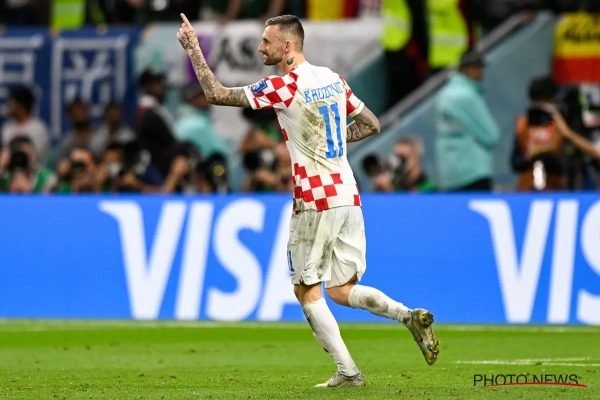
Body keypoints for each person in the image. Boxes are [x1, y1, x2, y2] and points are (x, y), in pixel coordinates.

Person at [177, 13, 440, 387]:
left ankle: (349, 373)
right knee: (341, 289)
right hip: (348, 193)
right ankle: (407, 315)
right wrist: (331, 140)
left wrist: (192, 48)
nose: (260, 48)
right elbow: (372, 124)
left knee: (306, 288)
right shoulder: (332, 78)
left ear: (287, 46)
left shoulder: (284, 86)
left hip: (314, 200)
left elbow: (215, 94)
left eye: (266, 41)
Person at [435, 50, 500, 191]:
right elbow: (492, 135)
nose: (481, 73)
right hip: (473, 172)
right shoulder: (468, 96)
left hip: (449, 172)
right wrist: (476, 138)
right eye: (478, 68)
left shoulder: (444, 95)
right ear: (468, 69)